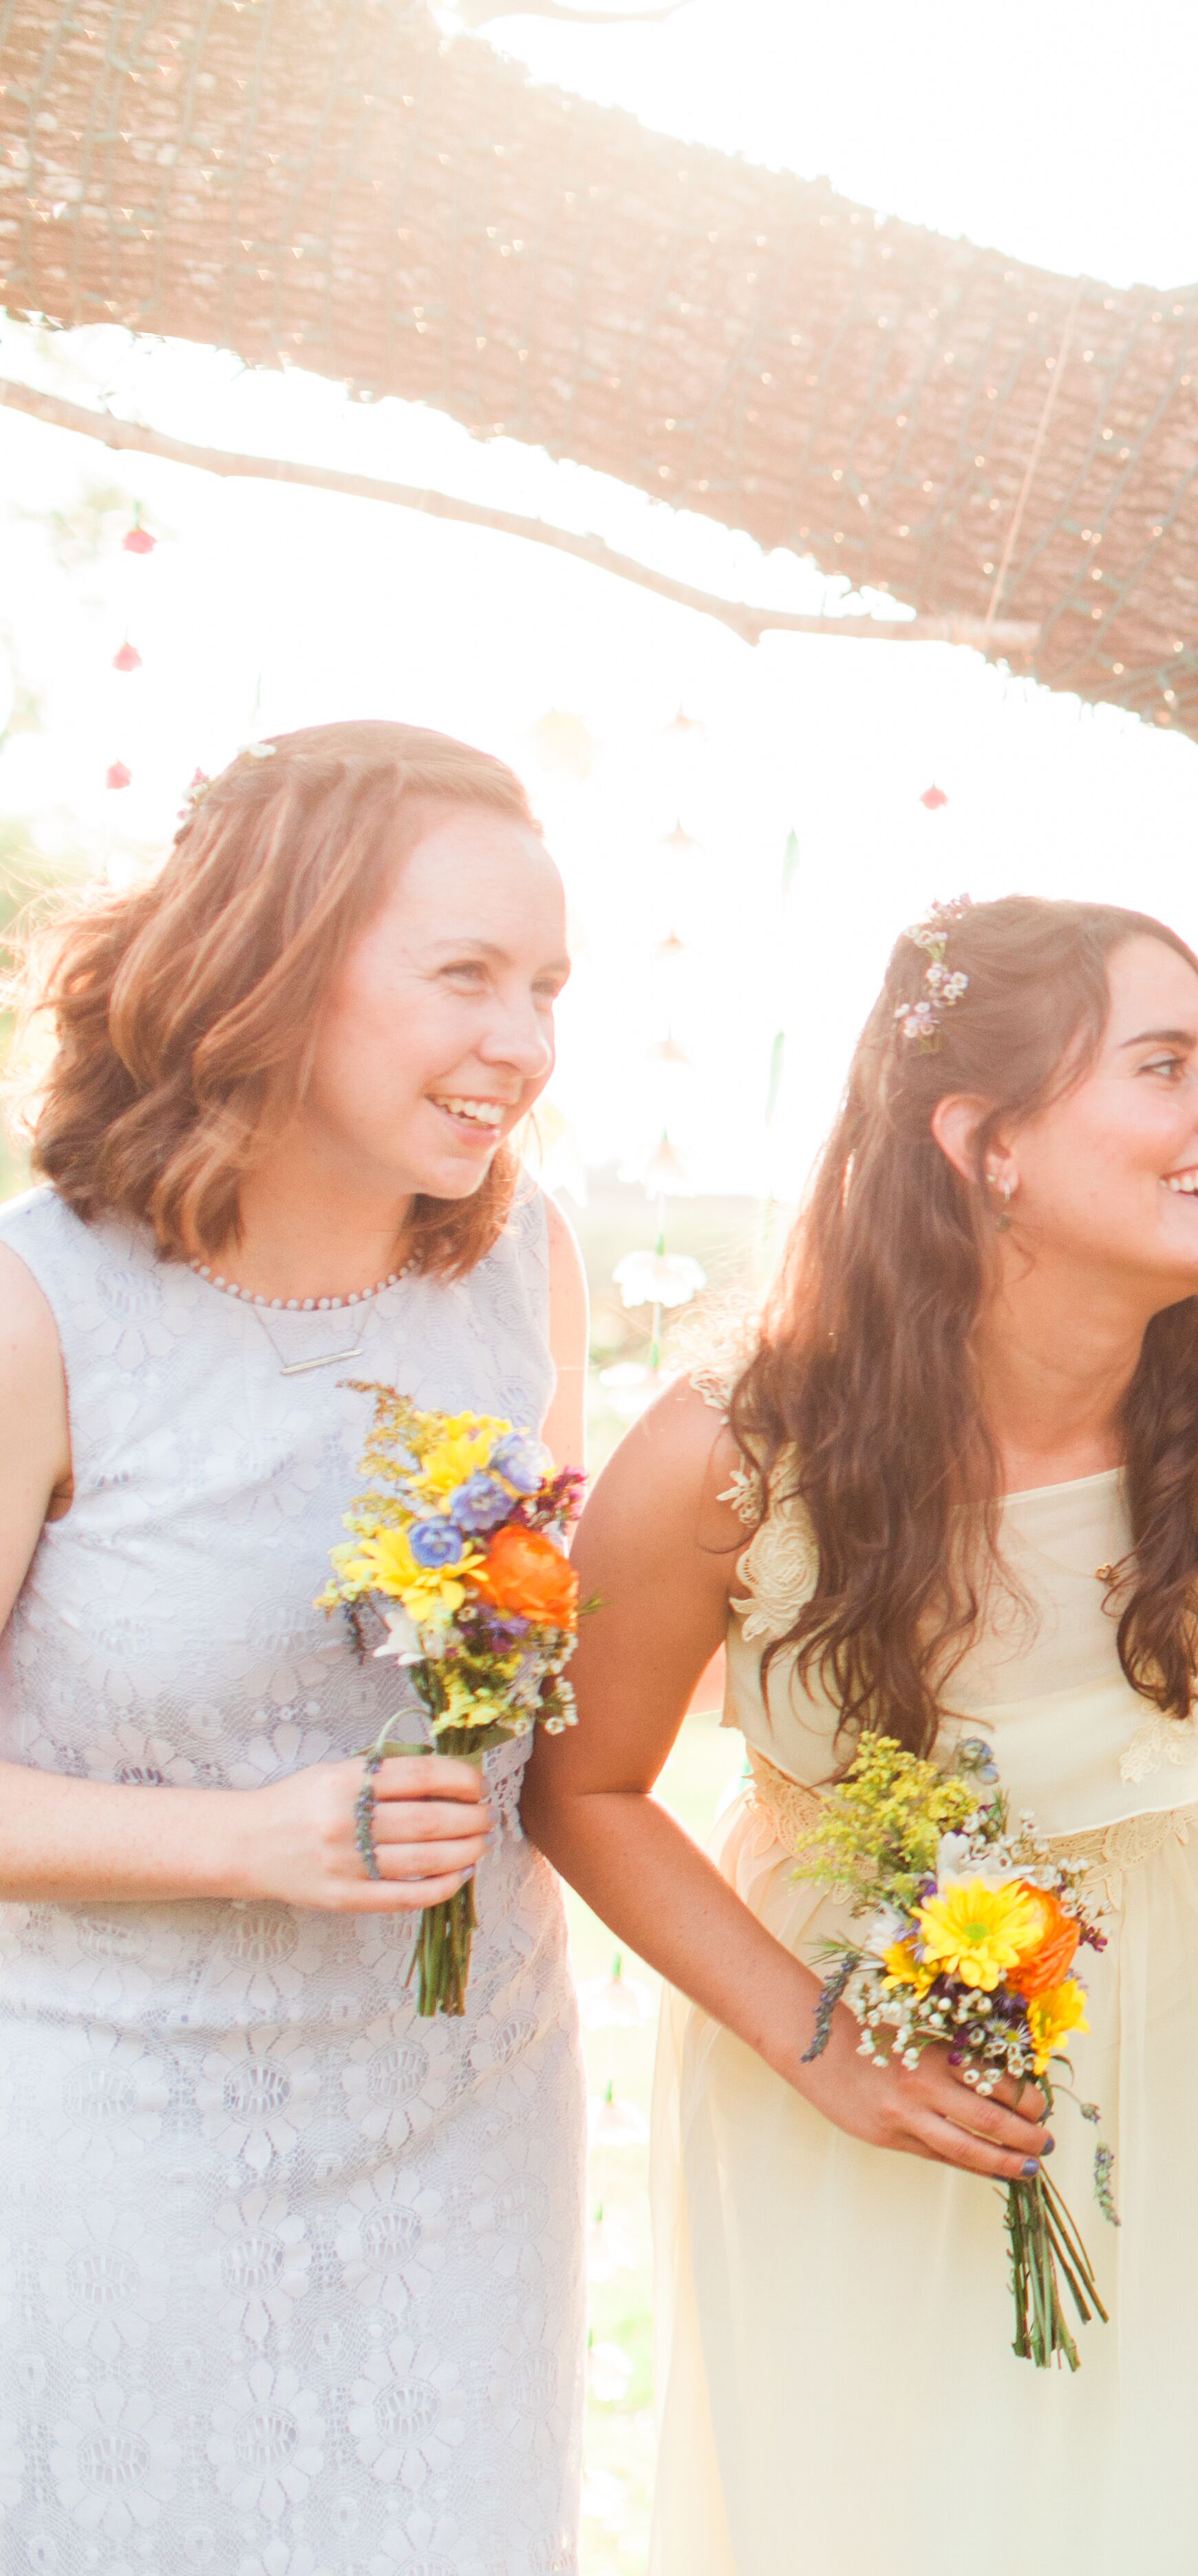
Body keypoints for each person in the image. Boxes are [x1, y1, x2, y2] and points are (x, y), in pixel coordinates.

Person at [531, 898, 1198, 2573]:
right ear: (986, 1142)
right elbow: (583, 1786)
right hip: (843, 2057)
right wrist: (827, 2054)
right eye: (1166, 1066)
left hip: (1175, 2036)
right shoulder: (735, 1445)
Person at [0, 723, 590, 2571]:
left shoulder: (524, 1268)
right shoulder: (45, 1302)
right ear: (274, 954)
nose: (524, 1039)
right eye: (467, 975)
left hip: (470, 2124)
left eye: (549, 987)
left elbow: (563, 1698)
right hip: (118, 2160)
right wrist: (239, 1842)